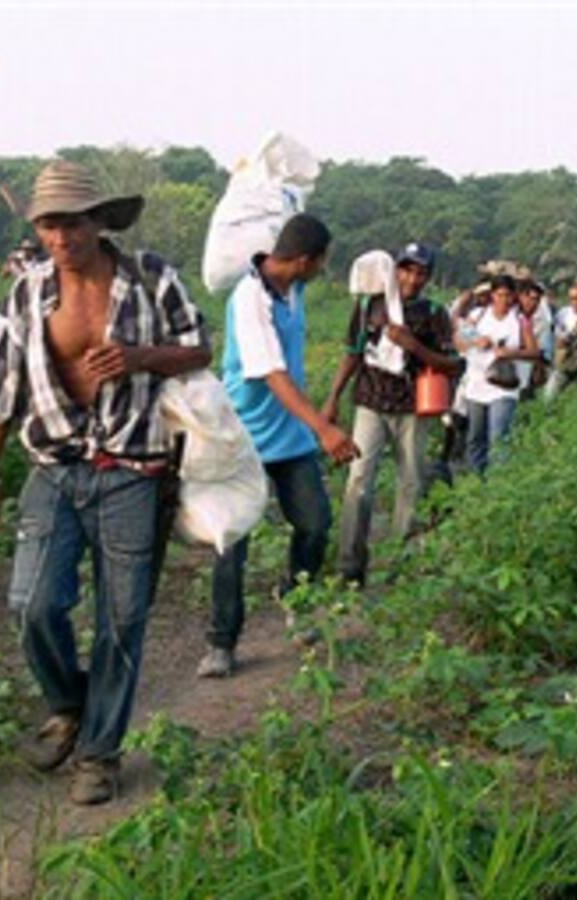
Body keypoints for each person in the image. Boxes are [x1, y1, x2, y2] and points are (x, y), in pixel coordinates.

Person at [0, 160, 211, 804]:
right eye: (48, 226)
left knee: (122, 620)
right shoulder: (27, 292)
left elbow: (198, 347)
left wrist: (138, 358)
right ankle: (70, 706)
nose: (60, 239)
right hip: (53, 467)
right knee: (32, 605)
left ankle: (99, 754)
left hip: (134, 471)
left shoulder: (151, 278)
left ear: (99, 221)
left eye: (71, 224)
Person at [197, 214, 357, 679]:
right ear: (306, 260)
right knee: (231, 542)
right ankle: (221, 643)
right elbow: (272, 374)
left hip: (289, 438)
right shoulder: (249, 299)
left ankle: (295, 597)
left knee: (314, 523)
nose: (322, 270)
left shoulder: (294, 288)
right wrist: (325, 429)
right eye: (322, 261)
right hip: (243, 438)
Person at [323, 242, 460, 587]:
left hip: (413, 407)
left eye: (420, 273)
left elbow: (453, 363)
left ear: (428, 277)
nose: (412, 279)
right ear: (395, 270)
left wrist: (414, 346)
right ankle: (349, 567)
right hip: (371, 401)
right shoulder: (371, 305)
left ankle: (401, 566)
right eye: (407, 270)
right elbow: (352, 353)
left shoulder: (433, 313)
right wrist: (333, 397)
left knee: (410, 483)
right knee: (358, 482)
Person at [457, 274, 539, 473]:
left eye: (508, 296)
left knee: (498, 437)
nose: (504, 300)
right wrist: (476, 341)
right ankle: (476, 481)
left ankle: (498, 484)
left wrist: (511, 353)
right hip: (476, 384)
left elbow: (534, 352)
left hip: (504, 387)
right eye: (500, 295)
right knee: (475, 437)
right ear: (492, 295)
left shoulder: (520, 321)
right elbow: (460, 340)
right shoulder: (477, 316)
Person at [544, 282, 577, 400]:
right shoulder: (563, 313)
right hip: (564, 362)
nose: (576, 302)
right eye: (573, 298)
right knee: (548, 397)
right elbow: (556, 332)